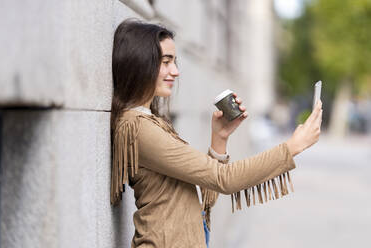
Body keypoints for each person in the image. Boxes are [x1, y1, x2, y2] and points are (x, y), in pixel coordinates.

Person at [110, 19, 322, 248]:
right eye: (166, 62)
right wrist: (292, 147)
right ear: (140, 63)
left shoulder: (150, 121)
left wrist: (219, 138)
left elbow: (205, 196)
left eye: (175, 61)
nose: (176, 71)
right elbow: (224, 179)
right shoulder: (139, 127)